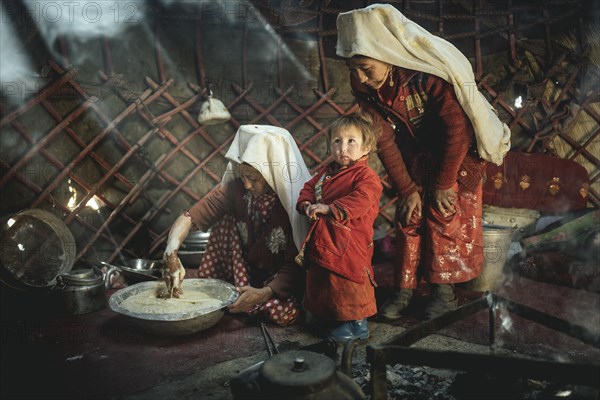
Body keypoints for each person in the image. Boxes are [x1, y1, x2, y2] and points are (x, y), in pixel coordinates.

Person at [336, 4, 511, 319]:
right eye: (352, 69)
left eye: (364, 66)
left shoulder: (428, 74)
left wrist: (445, 183)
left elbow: (458, 129)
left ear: (385, 52)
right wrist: (406, 189)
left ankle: (444, 294)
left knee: (443, 214)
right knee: (410, 214)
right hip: (417, 156)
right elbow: (383, 138)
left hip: (458, 155)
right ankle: (405, 291)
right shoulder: (364, 85)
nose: (359, 77)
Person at [162, 125, 311, 326]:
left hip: (281, 282)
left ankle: (253, 299)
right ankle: (240, 293)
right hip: (246, 275)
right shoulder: (238, 190)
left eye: (253, 178)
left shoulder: (295, 203)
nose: (247, 185)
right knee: (225, 219)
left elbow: (296, 264)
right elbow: (191, 215)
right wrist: (171, 252)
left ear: (273, 174)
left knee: (284, 312)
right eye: (242, 176)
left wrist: (263, 294)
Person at [295, 113, 382, 343]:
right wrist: (305, 205)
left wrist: (328, 208)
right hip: (326, 239)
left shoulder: (367, 176)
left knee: (348, 282)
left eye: (351, 141)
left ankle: (355, 323)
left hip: (351, 241)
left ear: (367, 147)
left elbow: (362, 199)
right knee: (327, 279)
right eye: (337, 141)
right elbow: (308, 187)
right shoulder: (327, 172)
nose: (343, 147)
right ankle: (332, 316)